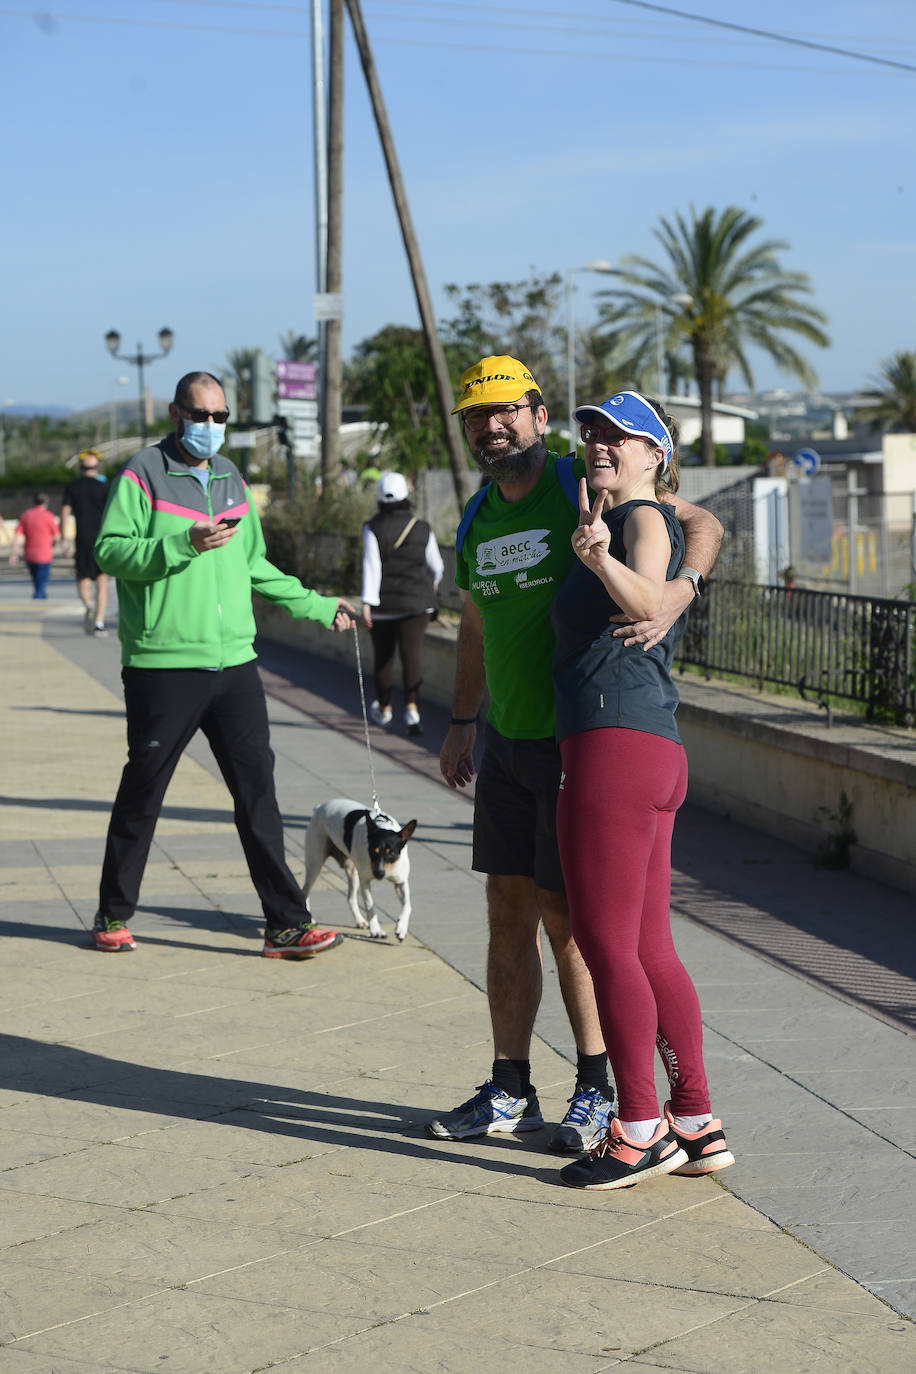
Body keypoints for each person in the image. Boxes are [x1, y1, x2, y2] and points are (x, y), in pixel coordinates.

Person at [429, 356, 723, 1153]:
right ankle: (510, 1085)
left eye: (506, 412)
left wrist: (678, 594)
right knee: (507, 914)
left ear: (539, 414)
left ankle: (602, 1091)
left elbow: (700, 525)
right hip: (508, 741)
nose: (492, 427)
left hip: (585, 742)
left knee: (581, 927)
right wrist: (463, 718)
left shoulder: (584, 480)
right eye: (476, 417)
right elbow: (477, 623)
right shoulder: (476, 516)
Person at [92, 370, 356, 958]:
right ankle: (113, 911)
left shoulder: (232, 479)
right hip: (163, 664)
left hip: (235, 663)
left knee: (258, 793)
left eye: (221, 417)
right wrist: (182, 544)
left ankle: (285, 924)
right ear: (174, 413)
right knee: (145, 789)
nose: (211, 427)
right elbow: (109, 551)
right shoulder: (143, 473)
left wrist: (319, 607)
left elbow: (257, 566)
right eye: (200, 415)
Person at [553, 392, 734, 1189]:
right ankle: (694, 1119)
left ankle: (637, 1128)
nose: (599, 443)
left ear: (655, 453)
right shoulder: (631, 508)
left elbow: (647, 600)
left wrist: (601, 560)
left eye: (619, 436)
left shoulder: (637, 519)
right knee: (650, 946)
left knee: (605, 945)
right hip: (646, 747)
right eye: (593, 431)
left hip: (612, 747)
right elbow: (706, 532)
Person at [361, 471, 444, 736]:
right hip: (417, 605)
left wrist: (367, 603)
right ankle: (412, 708)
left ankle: (385, 709)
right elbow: (437, 566)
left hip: (383, 606)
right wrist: (432, 587)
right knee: (412, 657)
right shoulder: (422, 527)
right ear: (406, 496)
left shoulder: (372, 527)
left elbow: (371, 567)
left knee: (384, 659)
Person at [61, 449, 110, 635]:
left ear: (81, 467)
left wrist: (64, 538)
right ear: (97, 467)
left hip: (82, 538)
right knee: (102, 580)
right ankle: (99, 622)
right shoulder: (105, 487)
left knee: (82, 577)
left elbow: (65, 512)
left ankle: (88, 604)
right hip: (102, 538)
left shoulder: (72, 487)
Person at [10, 493, 60, 599]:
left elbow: (16, 536)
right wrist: (53, 545)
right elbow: (56, 537)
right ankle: (39, 596)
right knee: (42, 580)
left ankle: (39, 594)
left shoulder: (25, 515)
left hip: (29, 554)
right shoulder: (48, 516)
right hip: (45, 554)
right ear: (46, 503)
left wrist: (14, 554)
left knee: (36, 579)